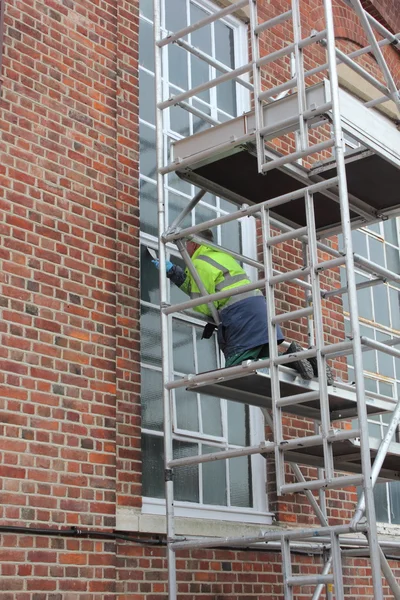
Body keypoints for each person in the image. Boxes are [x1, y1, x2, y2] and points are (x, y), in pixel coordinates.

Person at [153, 230, 330, 381]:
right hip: (260, 310)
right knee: (266, 363)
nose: (186, 247)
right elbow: (206, 287)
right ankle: (297, 357)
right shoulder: (220, 256)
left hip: (240, 316)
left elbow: (205, 304)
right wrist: (173, 272)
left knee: (238, 368)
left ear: (194, 244)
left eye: (186, 243)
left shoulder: (199, 263)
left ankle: (295, 358)